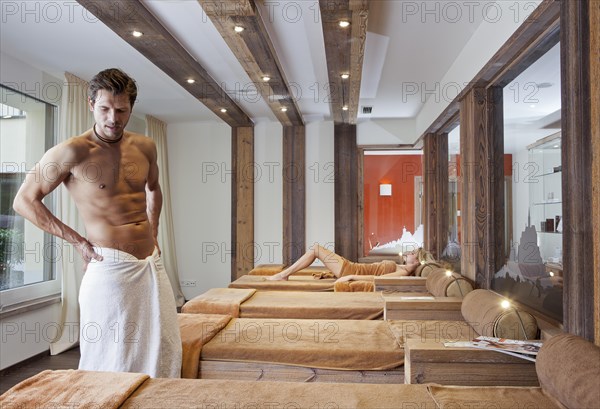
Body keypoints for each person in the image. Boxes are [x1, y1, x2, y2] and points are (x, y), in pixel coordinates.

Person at [13, 68, 181, 378]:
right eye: (105, 108)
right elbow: (24, 200)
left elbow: (153, 190)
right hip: (110, 264)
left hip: (151, 265)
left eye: (121, 110)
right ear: (92, 104)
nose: (113, 118)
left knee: (165, 344)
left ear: (131, 108)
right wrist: (77, 240)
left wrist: (153, 231)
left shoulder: (145, 146)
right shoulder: (72, 151)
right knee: (110, 352)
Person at [268, 244, 421, 282]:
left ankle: (283, 275)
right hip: (351, 266)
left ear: (419, 260)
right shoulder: (401, 267)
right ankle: (284, 274)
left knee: (316, 249)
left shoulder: (404, 272)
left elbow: (379, 280)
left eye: (413, 253)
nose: (409, 253)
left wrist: (351, 277)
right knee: (316, 249)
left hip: (350, 271)